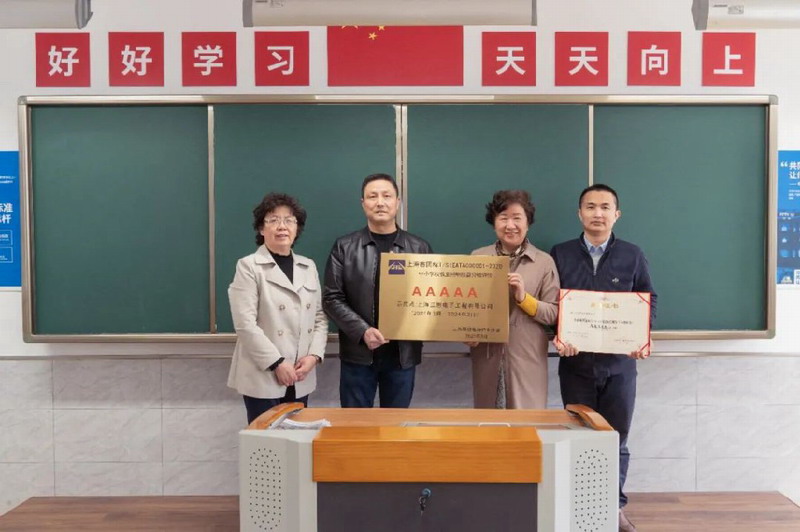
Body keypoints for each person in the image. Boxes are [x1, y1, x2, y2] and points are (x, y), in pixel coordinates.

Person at [550, 184, 657, 532]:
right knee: (579, 436)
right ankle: (581, 507)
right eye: (590, 206)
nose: (598, 213)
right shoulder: (560, 253)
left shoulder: (632, 254)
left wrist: (642, 336)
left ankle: (613, 507)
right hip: (576, 365)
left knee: (615, 438)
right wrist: (558, 335)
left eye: (605, 207)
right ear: (579, 213)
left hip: (620, 366)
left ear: (616, 214)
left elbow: (648, 298)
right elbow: (553, 303)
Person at [323, 173, 432, 408]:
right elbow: (332, 298)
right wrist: (363, 331)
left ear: (397, 202)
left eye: (387, 196)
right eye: (372, 196)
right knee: (355, 424)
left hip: (402, 355)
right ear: (363, 203)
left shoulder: (419, 247)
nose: (380, 202)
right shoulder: (344, 247)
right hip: (358, 353)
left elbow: (430, 299)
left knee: (395, 424)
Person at [227, 193, 328, 424]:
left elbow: (319, 318)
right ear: (261, 229)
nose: (282, 226)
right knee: (265, 442)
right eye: (273, 220)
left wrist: (313, 356)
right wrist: (277, 363)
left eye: (289, 220)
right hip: (264, 373)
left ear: (297, 228)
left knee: (297, 440)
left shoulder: (308, 266)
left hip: (300, 373)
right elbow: (245, 324)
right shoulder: (249, 266)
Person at [468, 190, 560, 409]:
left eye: (517, 218)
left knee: (527, 420)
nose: (510, 225)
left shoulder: (543, 262)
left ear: (528, 222)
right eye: (503, 218)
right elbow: (466, 308)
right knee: (488, 420)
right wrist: (467, 332)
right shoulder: (477, 258)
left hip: (527, 357)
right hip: (487, 356)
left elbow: (554, 313)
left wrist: (524, 298)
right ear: (494, 223)